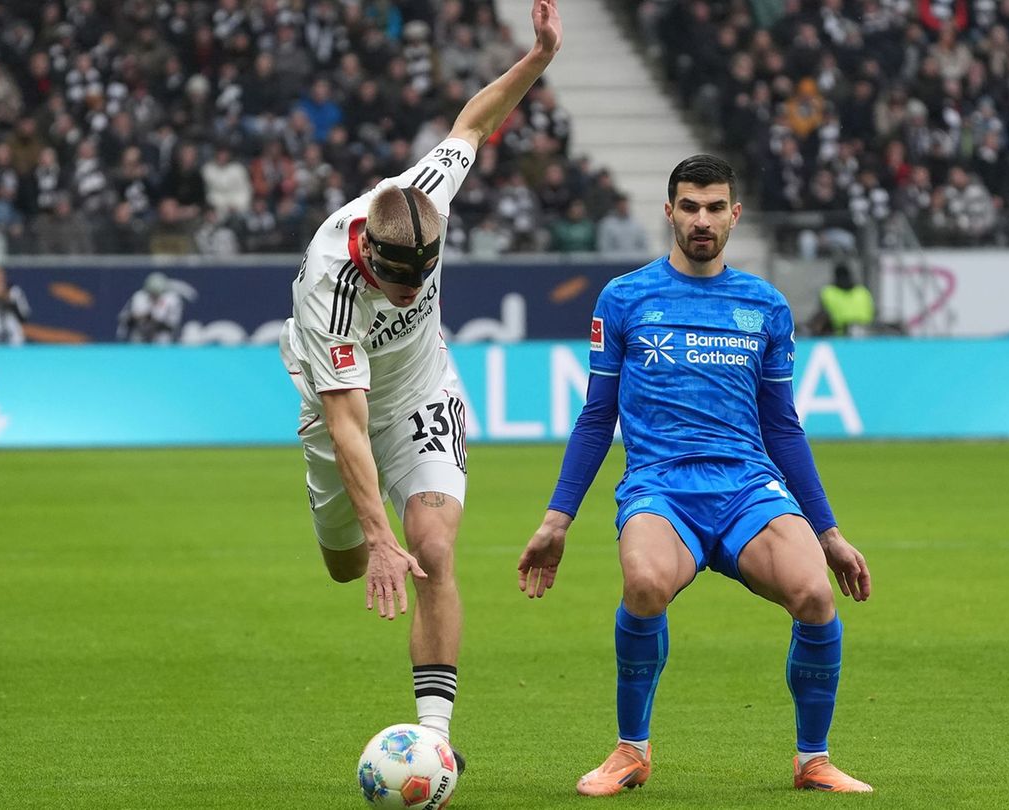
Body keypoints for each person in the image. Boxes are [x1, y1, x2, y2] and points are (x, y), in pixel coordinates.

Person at [517, 155, 873, 796]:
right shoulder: (624, 298)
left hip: (746, 488)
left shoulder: (765, 305)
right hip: (660, 486)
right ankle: (631, 751)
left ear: (734, 215)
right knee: (645, 582)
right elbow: (598, 418)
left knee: (816, 597)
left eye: (714, 208)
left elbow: (783, 426)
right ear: (670, 212)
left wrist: (829, 530)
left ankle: (812, 759)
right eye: (689, 206)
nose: (701, 219)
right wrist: (555, 519)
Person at [278, 0, 563, 770]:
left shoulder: (423, 195)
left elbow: (473, 124)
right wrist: (373, 537)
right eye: (396, 287)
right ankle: (357, 537)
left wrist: (537, 59)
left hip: (423, 395)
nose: (409, 298)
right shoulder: (330, 289)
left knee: (432, 546)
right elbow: (345, 422)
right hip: (339, 415)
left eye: (420, 286)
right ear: (368, 254)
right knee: (345, 566)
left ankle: (434, 738)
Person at [808, 262, 875, 336]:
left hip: (840, 336)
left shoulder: (828, 292)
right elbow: (872, 314)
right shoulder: (863, 292)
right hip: (866, 335)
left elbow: (822, 316)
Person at [117, 272, 184, 343]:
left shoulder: (172, 300)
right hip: (140, 335)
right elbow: (124, 319)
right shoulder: (139, 297)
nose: (154, 296)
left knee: (163, 338)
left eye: (156, 294)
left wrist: (154, 321)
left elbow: (173, 325)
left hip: (161, 337)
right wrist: (139, 317)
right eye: (151, 293)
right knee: (137, 337)